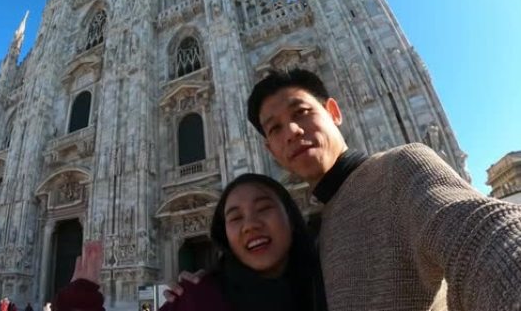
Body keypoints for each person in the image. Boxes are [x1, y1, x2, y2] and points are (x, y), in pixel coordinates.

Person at [169, 68, 521, 310]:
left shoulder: (399, 169)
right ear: (269, 149)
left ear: (333, 112)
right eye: (274, 128)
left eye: (302, 112)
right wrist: (208, 290)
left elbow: (483, 235)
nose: (290, 131)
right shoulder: (314, 237)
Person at [53, 173, 325, 311]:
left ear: (291, 215)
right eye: (234, 217)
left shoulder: (341, 284)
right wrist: (81, 300)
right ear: (223, 236)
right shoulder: (197, 299)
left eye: (264, 208)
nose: (250, 225)